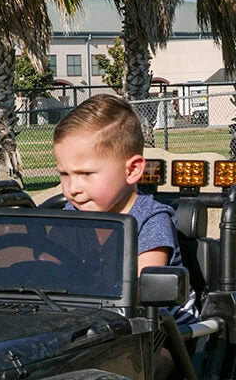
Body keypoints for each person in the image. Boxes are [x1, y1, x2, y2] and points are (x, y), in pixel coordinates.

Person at [52, 94, 197, 325]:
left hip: (163, 331)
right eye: (64, 174)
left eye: (86, 174)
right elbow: (48, 265)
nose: (72, 188)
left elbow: (141, 290)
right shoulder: (70, 216)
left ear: (132, 170)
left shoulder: (151, 218)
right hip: (92, 323)